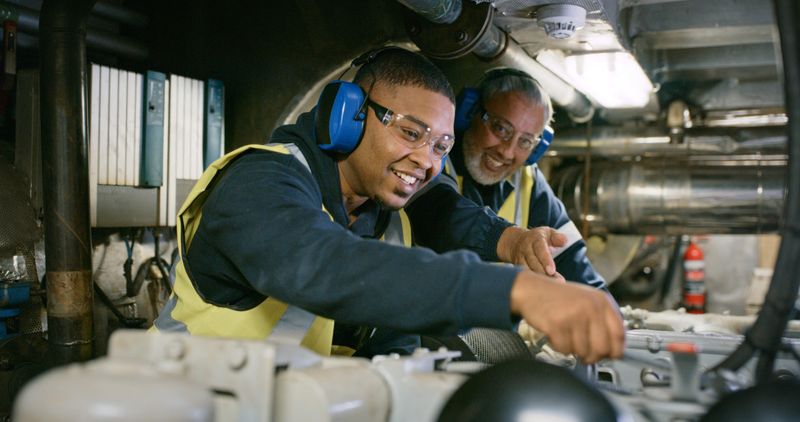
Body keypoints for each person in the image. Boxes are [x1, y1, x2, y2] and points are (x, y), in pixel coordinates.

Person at [153, 47, 623, 364]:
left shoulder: (388, 218)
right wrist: (515, 290)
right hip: (181, 403)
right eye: (410, 132)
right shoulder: (260, 182)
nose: (427, 161)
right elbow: (325, 266)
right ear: (348, 116)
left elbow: (391, 342)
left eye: (441, 145)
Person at [408, 68, 605, 288]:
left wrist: (605, 308)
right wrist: (513, 242)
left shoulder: (529, 181)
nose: (507, 152)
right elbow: (442, 217)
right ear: (469, 111)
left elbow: (575, 266)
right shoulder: (431, 158)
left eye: (525, 141)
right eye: (501, 128)